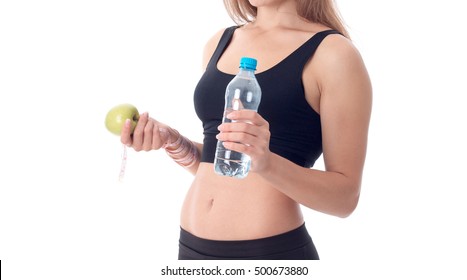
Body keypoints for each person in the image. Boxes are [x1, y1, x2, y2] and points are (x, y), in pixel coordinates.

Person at [121, 0, 372, 260]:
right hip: (191, 251)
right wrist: (172, 141)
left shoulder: (333, 54)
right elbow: (225, 166)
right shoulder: (221, 42)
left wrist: (267, 163)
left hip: (268, 255)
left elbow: (345, 199)